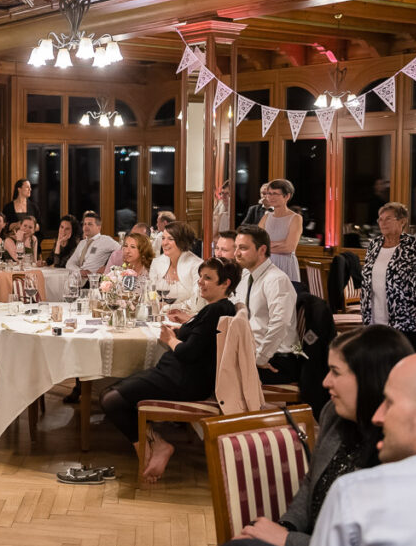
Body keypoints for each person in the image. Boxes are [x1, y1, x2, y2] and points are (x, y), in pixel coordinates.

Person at [204, 351, 416, 546]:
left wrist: (284, 540)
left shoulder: (360, 493)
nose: (378, 415)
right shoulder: (336, 421)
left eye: (390, 402)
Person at [237, 325, 414, 546]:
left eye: (336, 372)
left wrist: (287, 541)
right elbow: (311, 482)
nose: (325, 382)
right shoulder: (334, 414)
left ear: (369, 379)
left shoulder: (402, 448)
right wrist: (285, 527)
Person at [100, 258, 241, 483]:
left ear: (226, 283)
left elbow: (189, 352)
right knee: (112, 393)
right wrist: (186, 326)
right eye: (201, 276)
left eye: (208, 278)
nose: (201, 282)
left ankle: (153, 448)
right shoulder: (218, 309)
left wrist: (171, 339)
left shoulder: (216, 310)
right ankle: (153, 444)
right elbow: (202, 339)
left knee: (111, 399)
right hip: (176, 374)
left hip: (183, 380)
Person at [233, 225, 303, 385]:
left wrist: (260, 358)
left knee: (218, 374)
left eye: (243, 248)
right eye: (236, 247)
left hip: (276, 359)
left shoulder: (276, 279)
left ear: (262, 250)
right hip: (252, 351)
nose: (236, 253)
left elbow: (280, 323)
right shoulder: (245, 275)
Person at [361, 202, 416, 352]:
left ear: (402, 221)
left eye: (388, 219)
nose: (382, 223)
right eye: (380, 219)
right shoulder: (374, 244)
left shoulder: (414, 245)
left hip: (404, 317)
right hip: (374, 313)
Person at [148, 221, 205, 313]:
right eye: (163, 238)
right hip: (158, 317)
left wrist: (169, 307)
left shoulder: (197, 265)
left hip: (187, 319)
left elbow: (196, 302)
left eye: (170, 239)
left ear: (182, 241)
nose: (164, 243)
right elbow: (149, 293)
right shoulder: (157, 262)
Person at [258, 179, 302, 283]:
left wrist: (266, 247)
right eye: (269, 193)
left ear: (287, 196)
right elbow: (257, 242)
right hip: (266, 263)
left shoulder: (295, 218)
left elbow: (289, 247)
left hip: (285, 264)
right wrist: (280, 243)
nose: (270, 197)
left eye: (275, 194)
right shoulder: (266, 217)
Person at [65, 211, 118, 278]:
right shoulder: (82, 243)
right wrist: (80, 271)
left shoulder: (106, 240)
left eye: (90, 224)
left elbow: (122, 252)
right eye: (84, 224)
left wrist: (108, 267)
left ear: (99, 227)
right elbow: (69, 263)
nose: (86, 227)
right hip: (78, 278)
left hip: (93, 280)